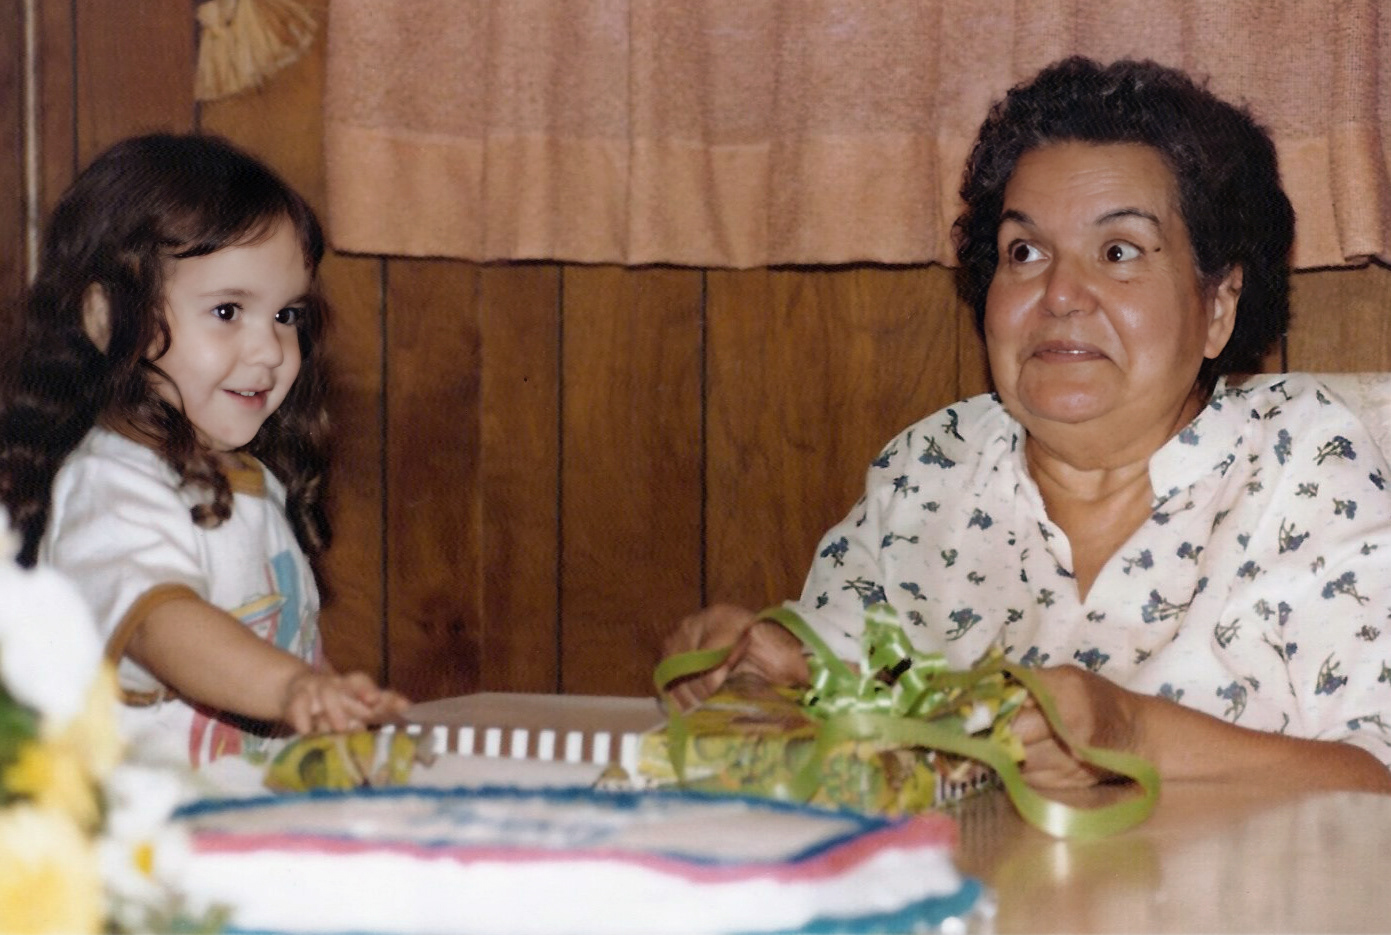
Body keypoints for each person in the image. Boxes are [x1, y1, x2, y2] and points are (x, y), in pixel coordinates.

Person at [664, 57, 1391, 793]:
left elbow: (1376, 779)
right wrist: (770, 672)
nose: (1060, 293)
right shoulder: (932, 467)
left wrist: (1132, 733)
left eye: (1117, 252)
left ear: (1218, 306)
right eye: (1025, 251)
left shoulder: (1300, 461)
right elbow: (844, 700)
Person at [0, 134, 409, 769]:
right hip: (155, 839)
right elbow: (164, 626)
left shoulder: (245, 477)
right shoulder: (113, 485)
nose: (270, 350)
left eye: (287, 316)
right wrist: (290, 688)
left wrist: (325, 704)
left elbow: (280, 639)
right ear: (107, 318)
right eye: (227, 310)